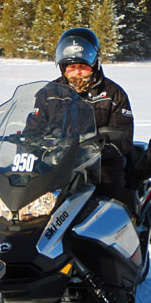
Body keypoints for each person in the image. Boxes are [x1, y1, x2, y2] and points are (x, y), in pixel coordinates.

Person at [49, 27, 135, 205]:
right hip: (57, 161)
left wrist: (98, 148)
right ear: (63, 68)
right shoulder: (49, 93)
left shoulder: (113, 94)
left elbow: (123, 139)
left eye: (82, 67)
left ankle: (124, 225)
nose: (77, 73)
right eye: (72, 67)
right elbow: (34, 126)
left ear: (94, 65)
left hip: (101, 162)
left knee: (112, 198)